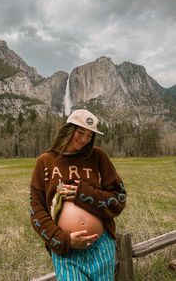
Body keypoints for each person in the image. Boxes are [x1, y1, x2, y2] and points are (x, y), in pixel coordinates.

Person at [29, 109, 126, 280]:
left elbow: (119, 198)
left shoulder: (97, 156)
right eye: (80, 132)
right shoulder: (45, 161)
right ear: (68, 130)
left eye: (89, 135)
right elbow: (36, 209)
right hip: (66, 250)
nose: (84, 139)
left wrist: (83, 193)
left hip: (101, 244)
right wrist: (63, 240)